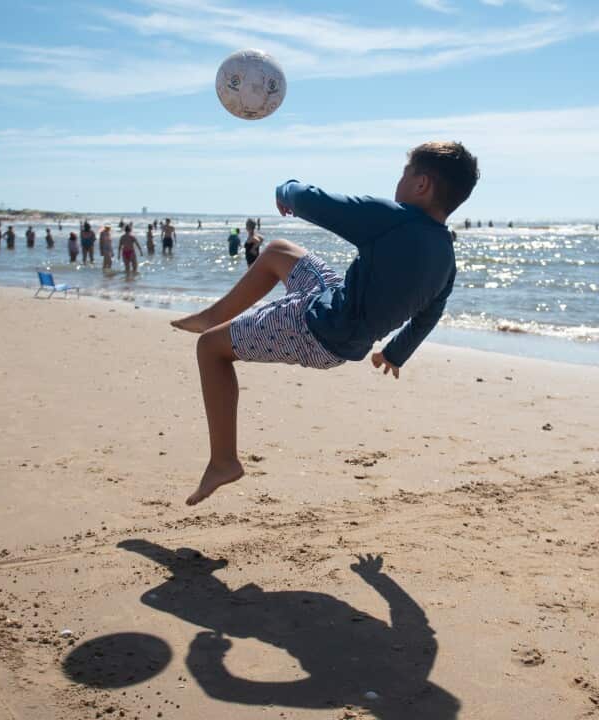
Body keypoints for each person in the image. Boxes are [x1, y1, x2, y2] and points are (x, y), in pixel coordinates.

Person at [168, 140, 478, 505]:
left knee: (209, 349)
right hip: (337, 310)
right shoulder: (447, 258)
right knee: (277, 251)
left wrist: (285, 191)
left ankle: (223, 461)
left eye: (404, 174)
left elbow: (315, 202)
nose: (399, 182)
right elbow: (430, 314)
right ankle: (214, 315)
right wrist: (394, 353)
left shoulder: (395, 218)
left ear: (421, 184)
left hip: (317, 329)